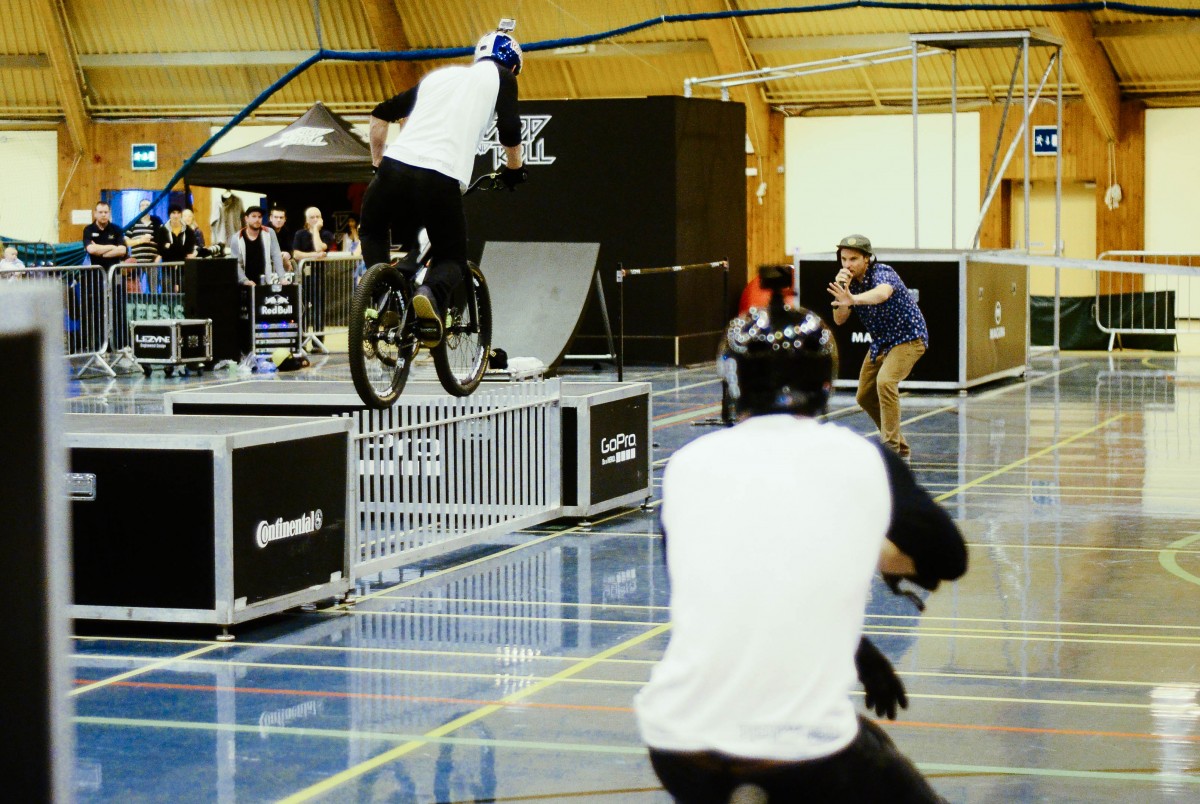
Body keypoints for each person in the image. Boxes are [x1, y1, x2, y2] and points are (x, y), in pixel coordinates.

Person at [635, 272, 966, 803]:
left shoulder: (686, 466)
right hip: (801, 749)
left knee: (862, 739)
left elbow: (741, 583)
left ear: (732, 379)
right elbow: (947, 555)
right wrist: (872, 554)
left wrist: (861, 654)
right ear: (826, 384)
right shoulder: (861, 457)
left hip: (678, 740)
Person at [361, 19, 528, 343]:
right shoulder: (503, 77)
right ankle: (430, 295)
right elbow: (510, 129)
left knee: (372, 228)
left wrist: (378, 165)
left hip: (396, 169)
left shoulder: (440, 77)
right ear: (512, 63)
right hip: (440, 177)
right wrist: (514, 169)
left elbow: (380, 115)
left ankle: (384, 297)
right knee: (451, 258)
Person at [827, 234, 929, 461]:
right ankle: (900, 447)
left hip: (909, 338)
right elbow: (840, 319)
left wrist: (852, 299)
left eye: (853, 259)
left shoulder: (883, 272)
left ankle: (891, 452)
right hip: (881, 342)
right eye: (844, 259)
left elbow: (882, 293)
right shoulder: (847, 283)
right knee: (864, 396)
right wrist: (843, 293)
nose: (847, 265)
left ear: (867, 259)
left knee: (886, 382)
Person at [227, 206, 282, 286]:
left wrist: (282, 278)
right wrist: (244, 280)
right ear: (246, 218)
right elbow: (237, 263)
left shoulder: (269, 233)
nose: (257, 219)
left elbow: (276, 255)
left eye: (259, 217)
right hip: (246, 284)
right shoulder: (237, 238)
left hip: (265, 282)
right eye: (253, 216)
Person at [82, 202, 127, 269]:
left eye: (106, 212)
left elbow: (122, 250)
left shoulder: (117, 229)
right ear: (95, 214)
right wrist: (113, 247)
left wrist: (100, 253)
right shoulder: (88, 229)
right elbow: (91, 249)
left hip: (113, 272)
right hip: (94, 273)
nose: (103, 215)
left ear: (109, 213)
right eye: (100, 212)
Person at [125, 199, 161, 265]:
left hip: (153, 262)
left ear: (151, 207)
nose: (145, 207)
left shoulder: (157, 223)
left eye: (147, 205)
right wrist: (140, 240)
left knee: (154, 276)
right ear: (139, 208)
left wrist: (158, 258)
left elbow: (163, 241)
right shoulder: (133, 223)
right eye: (142, 205)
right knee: (135, 275)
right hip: (135, 262)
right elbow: (126, 242)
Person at [267, 206, 294, 271]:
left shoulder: (286, 231)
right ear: (271, 218)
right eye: (276, 217)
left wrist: (287, 255)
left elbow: (290, 250)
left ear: (285, 219)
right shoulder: (264, 231)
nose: (278, 220)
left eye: (281, 217)